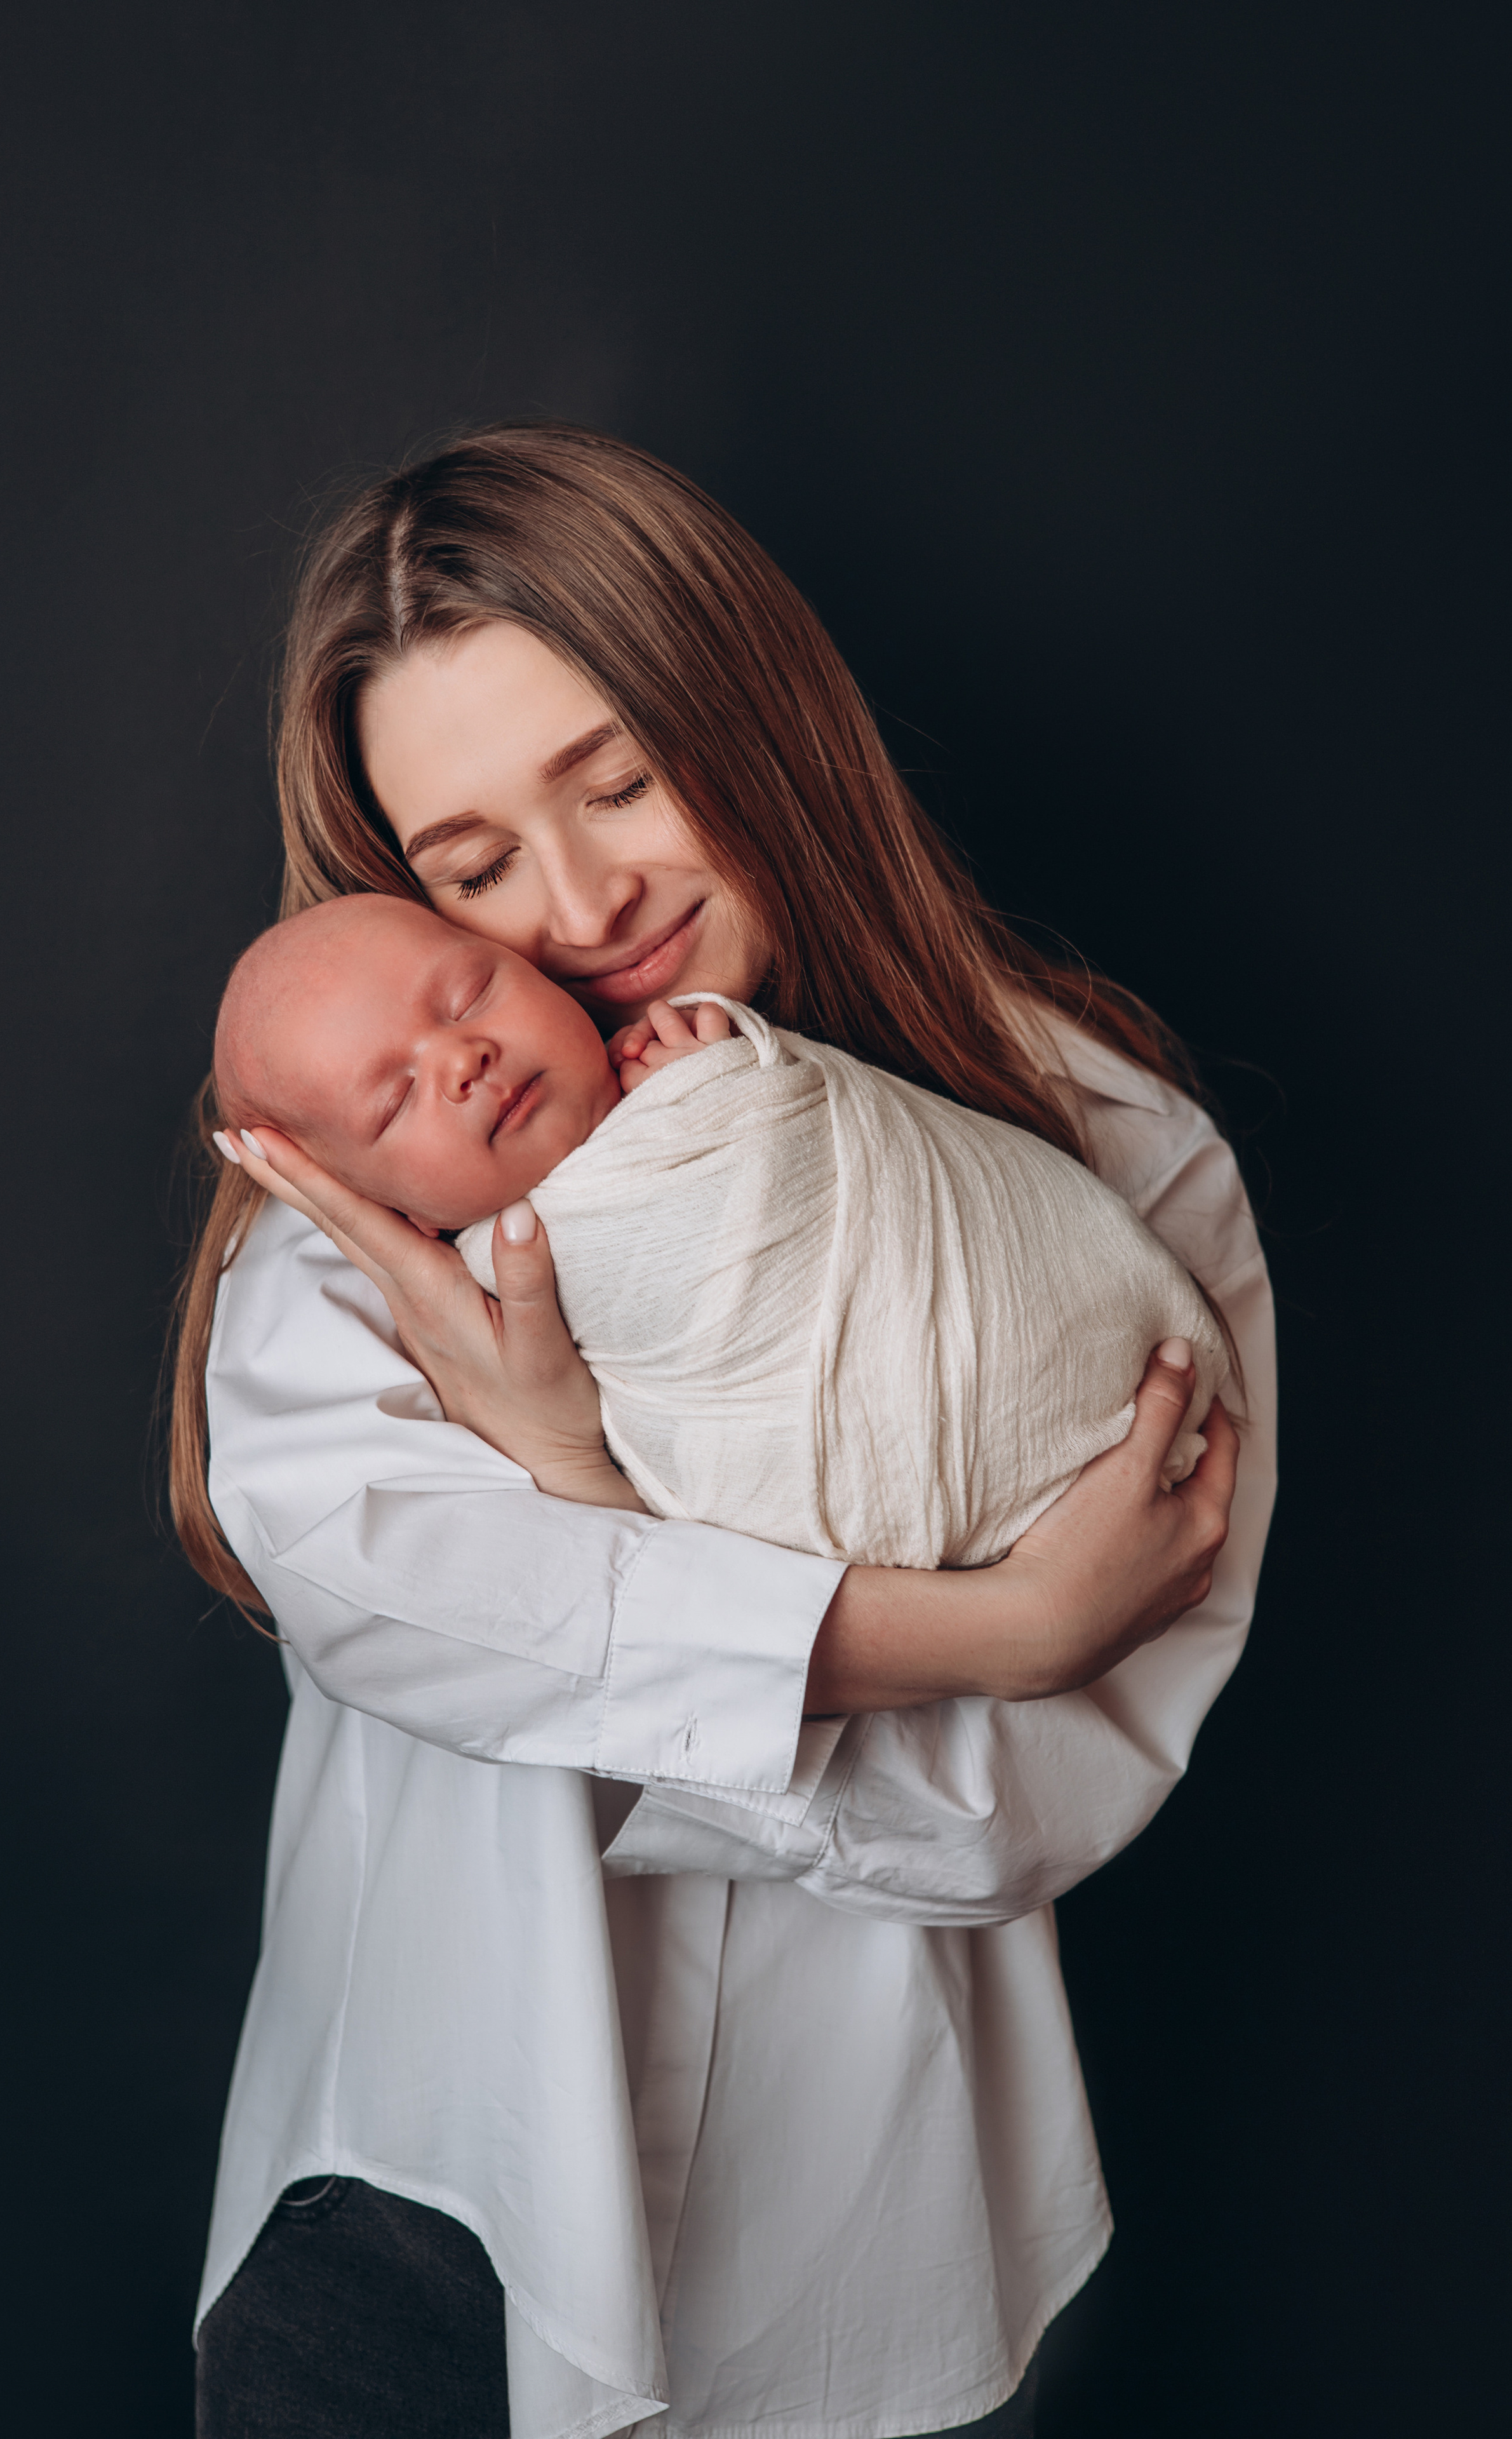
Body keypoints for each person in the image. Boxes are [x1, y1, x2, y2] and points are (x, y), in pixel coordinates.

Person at [171, 422, 1274, 2439]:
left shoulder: (1109, 1159)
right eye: (475, 866)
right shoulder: (388, 1208)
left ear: (752, 714)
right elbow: (400, 1600)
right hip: (423, 2232)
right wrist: (997, 1631)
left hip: (875, 2283)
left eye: (618, 780)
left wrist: (591, 1486)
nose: (583, 905)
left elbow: (1019, 1817)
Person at [208, 890, 1228, 1583]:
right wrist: (569, 1461)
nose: (463, 1057)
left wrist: (724, 1088)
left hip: (1122, 1390)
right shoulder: (444, 1308)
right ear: (395, 1213)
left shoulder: (714, 1066)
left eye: (471, 994)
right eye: (395, 1101)